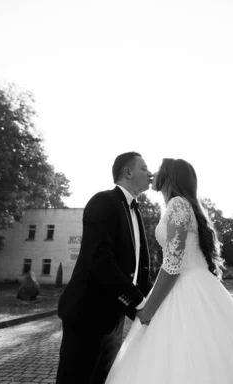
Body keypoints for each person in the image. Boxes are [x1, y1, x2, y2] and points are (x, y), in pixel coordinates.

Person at [105, 158, 233, 384]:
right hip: (199, 284)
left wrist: (149, 309)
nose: (152, 172)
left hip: (185, 288)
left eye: (158, 167)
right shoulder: (183, 205)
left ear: (169, 175)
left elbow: (172, 264)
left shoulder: (178, 205)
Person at [56, 151, 153, 384]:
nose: (150, 174)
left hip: (114, 318)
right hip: (87, 317)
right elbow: (100, 261)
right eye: (144, 168)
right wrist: (139, 303)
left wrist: (155, 301)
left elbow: (137, 271)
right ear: (128, 172)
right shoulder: (103, 201)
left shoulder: (135, 212)